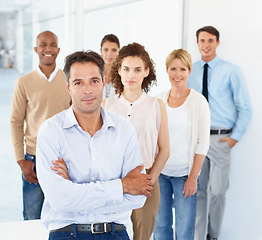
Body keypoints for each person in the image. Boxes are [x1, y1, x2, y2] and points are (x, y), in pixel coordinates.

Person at [36, 50, 153, 240]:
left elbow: (137, 197)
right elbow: (60, 200)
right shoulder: (51, 131)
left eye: (94, 81)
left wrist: (75, 188)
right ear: (68, 87)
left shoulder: (124, 129)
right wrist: (122, 185)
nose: (87, 90)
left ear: (103, 83)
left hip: (115, 234)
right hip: (67, 234)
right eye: (78, 83)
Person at [187, 26, 252, 240]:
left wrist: (234, 138)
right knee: (198, 192)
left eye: (211, 40)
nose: (206, 44)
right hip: (196, 139)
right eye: (202, 40)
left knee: (217, 191)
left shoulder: (230, 71)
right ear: (197, 43)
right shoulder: (189, 70)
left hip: (220, 138)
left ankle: (213, 235)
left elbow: (245, 107)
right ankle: (198, 236)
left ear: (217, 43)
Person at [103, 42, 170, 240]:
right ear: (119, 71)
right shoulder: (108, 106)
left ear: (146, 72)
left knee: (142, 236)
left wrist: (151, 179)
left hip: (147, 179)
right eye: (126, 69)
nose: (131, 75)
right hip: (115, 180)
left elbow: (165, 149)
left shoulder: (156, 105)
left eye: (137, 70)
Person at [10, 30, 71, 220]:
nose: (48, 49)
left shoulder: (69, 80)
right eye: (43, 45)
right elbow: (16, 121)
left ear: (58, 50)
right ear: (36, 49)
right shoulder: (24, 82)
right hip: (33, 159)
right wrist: (21, 160)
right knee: (32, 216)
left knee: (63, 216)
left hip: (63, 158)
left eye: (53, 44)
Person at [153, 49, 210, 240]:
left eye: (182, 69)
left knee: (185, 230)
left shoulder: (198, 101)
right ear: (167, 70)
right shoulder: (159, 99)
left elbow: (203, 143)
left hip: (185, 176)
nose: (178, 74)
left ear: (189, 71)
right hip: (161, 174)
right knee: (161, 228)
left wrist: (193, 177)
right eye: (173, 69)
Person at [100, 34, 120, 98]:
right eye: (106, 50)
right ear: (101, 51)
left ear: (118, 52)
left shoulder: (123, 75)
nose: (109, 54)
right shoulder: (94, 73)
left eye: (113, 50)